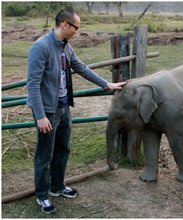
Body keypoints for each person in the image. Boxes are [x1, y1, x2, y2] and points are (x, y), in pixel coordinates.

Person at [27, 8, 126, 214]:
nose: (77, 31)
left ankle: (57, 186)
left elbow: (81, 67)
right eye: (76, 27)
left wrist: (106, 84)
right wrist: (40, 115)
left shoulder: (66, 47)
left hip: (63, 107)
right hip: (47, 111)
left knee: (63, 149)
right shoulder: (41, 47)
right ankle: (43, 196)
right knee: (45, 155)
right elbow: (33, 85)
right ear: (65, 24)